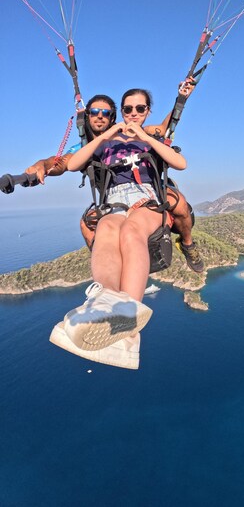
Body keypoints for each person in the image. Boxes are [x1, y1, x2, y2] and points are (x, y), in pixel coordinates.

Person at [52, 89, 189, 369]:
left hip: (147, 198)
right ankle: (105, 307)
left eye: (140, 109)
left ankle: (128, 314)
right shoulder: (106, 144)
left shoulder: (150, 140)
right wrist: (105, 136)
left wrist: (145, 138)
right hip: (115, 202)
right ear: (121, 113)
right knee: (105, 232)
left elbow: (180, 163)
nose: (134, 114)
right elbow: (75, 164)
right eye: (128, 110)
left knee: (131, 232)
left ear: (148, 111)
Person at [25, 88, 204, 274]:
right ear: (87, 116)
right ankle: (109, 263)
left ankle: (187, 244)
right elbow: (63, 162)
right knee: (86, 225)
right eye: (94, 112)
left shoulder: (134, 132)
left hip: (149, 185)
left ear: (113, 117)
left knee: (180, 204)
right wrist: (43, 165)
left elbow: (165, 127)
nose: (99, 117)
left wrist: (181, 99)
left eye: (105, 113)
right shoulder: (86, 145)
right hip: (113, 194)